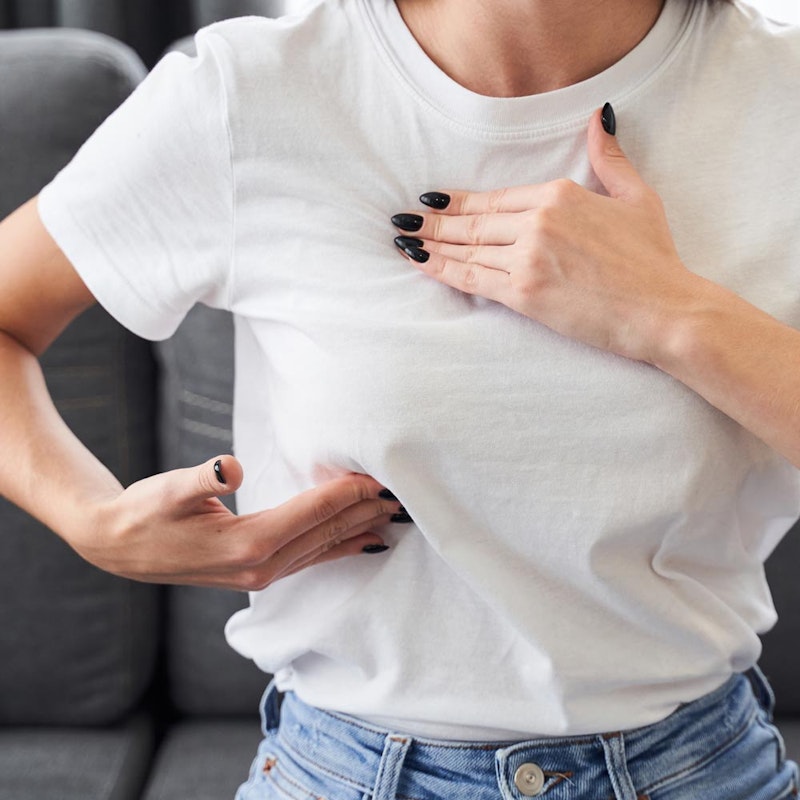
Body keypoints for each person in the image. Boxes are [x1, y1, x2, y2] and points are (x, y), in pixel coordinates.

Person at [1, 0, 799, 797]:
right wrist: (92, 522)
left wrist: (670, 315)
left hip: (702, 767)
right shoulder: (249, 92)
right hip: (340, 773)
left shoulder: (780, 92)